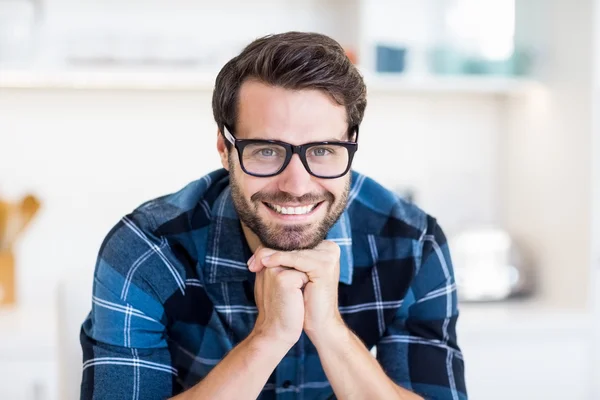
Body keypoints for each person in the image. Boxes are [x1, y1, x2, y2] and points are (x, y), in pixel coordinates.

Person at [80, 31, 467, 400]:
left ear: (352, 146)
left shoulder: (414, 244)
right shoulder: (145, 251)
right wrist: (267, 338)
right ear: (224, 148)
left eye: (322, 151)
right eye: (266, 151)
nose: (296, 185)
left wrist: (330, 331)